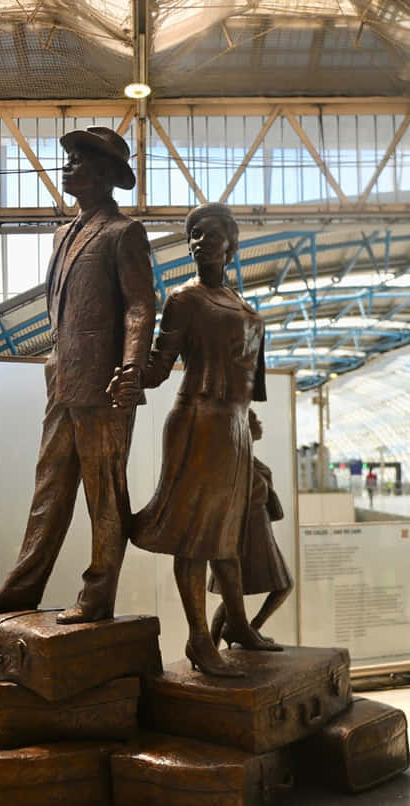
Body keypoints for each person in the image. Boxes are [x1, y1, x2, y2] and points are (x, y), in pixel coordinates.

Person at [0, 127, 156, 623]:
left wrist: (132, 365)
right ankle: (22, 587)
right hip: (65, 380)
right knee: (48, 488)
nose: (67, 166)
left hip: (107, 386)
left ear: (109, 174)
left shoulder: (123, 232)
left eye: (79, 159)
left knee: (104, 493)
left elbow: (140, 306)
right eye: (66, 158)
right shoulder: (63, 233)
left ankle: (98, 594)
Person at [111, 202, 280, 677]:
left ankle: (239, 627)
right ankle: (199, 640)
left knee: (227, 537)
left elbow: (251, 390)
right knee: (194, 537)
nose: (199, 241)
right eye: (194, 235)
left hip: (234, 431)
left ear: (230, 243)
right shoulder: (184, 300)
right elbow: (160, 367)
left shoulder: (249, 311)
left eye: (209, 234)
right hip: (196, 422)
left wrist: (249, 437)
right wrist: (128, 372)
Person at [209, 408, 293, 648]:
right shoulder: (235, 457)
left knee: (234, 593)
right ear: (244, 427)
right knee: (240, 590)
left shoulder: (245, 456)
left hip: (257, 529)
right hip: (248, 532)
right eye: (255, 419)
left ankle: (239, 633)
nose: (260, 422)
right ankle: (236, 634)